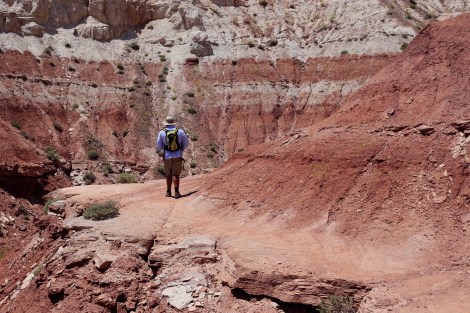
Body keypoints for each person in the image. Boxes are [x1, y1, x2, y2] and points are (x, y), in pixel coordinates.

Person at [156, 116, 189, 199]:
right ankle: (177, 192)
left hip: (167, 156)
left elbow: (158, 146)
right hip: (177, 155)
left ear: (166, 123)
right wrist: (181, 148)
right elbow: (186, 143)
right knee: (176, 174)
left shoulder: (162, 132)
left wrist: (164, 149)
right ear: (173, 122)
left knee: (168, 175)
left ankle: (168, 192)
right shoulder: (180, 131)